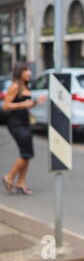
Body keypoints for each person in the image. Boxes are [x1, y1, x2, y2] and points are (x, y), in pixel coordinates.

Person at [2, 62, 46, 195]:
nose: (30, 73)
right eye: (26, 70)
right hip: (16, 123)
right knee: (26, 153)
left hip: (25, 122)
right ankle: (9, 177)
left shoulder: (26, 86)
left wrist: (36, 102)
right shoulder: (14, 86)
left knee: (26, 154)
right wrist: (23, 104)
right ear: (20, 72)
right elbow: (6, 106)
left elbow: (26, 105)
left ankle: (21, 182)